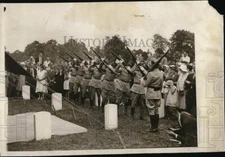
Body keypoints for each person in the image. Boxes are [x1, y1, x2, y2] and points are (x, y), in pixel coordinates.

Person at [144, 58, 164, 132]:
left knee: (151, 110)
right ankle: (156, 127)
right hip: (158, 92)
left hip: (151, 93)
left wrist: (144, 79)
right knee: (157, 110)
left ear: (153, 64)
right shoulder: (161, 73)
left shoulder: (150, 73)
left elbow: (145, 84)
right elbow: (161, 84)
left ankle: (153, 127)